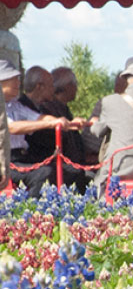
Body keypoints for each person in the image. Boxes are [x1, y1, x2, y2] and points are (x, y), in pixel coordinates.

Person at [4, 61, 90, 191]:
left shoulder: (15, 105)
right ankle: (30, 210)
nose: (18, 83)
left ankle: (71, 207)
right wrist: (51, 123)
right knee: (42, 174)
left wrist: (65, 123)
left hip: (21, 158)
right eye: (13, 79)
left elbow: (38, 117)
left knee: (71, 171)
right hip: (5, 161)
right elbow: (10, 127)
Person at [44, 66, 96, 165]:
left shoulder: (63, 108)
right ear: (67, 86)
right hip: (60, 166)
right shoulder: (48, 109)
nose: (77, 88)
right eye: (75, 84)